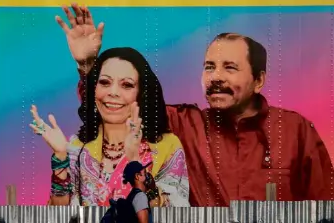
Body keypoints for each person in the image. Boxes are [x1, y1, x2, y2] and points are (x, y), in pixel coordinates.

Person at [60, 4, 334, 206]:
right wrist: (87, 66)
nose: (216, 77)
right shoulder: (186, 125)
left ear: (258, 80)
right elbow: (118, 106)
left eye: (229, 67)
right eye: (209, 67)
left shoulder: (295, 130)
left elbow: (325, 206)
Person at [29, 43, 190, 207]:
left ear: (142, 93)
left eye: (126, 85)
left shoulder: (166, 147)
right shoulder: (77, 147)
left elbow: (172, 217)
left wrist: (135, 162)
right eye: (105, 82)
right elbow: (58, 218)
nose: (113, 92)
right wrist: (61, 156)